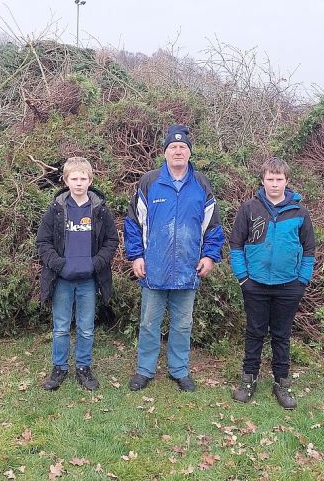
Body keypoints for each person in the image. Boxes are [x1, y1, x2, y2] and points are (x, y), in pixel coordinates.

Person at [124, 125, 225, 392]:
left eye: (183, 147)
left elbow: (212, 226)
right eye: (173, 147)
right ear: (165, 152)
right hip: (153, 268)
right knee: (148, 323)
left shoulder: (201, 184)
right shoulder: (149, 181)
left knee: (182, 324)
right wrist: (136, 256)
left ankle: (179, 370)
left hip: (188, 268)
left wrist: (210, 257)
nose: (178, 151)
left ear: (189, 153)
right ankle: (145, 370)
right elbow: (134, 223)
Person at [229, 157, 315, 409]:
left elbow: (309, 249)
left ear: (286, 182)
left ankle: (282, 382)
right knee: (254, 332)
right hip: (254, 283)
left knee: (281, 335)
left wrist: (302, 279)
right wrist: (242, 276)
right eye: (270, 179)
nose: (274, 184)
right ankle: (248, 379)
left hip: (289, 285)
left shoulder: (300, 212)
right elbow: (235, 244)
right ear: (263, 180)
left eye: (279, 179)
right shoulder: (250, 209)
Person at [36, 157, 119, 391]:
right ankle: (59, 368)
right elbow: (43, 242)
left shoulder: (100, 211)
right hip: (61, 279)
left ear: (90, 180)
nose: (79, 183)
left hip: (88, 281)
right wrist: (59, 265)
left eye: (83, 178)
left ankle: (83, 367)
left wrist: (96, 263)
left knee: (85, 327)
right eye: (74, 178)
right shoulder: (56, 210)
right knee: (61, 327)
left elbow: (111, 241)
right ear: (66, 180)